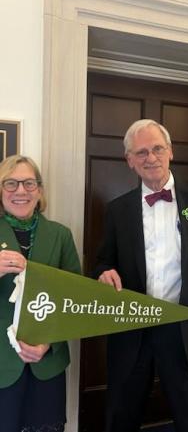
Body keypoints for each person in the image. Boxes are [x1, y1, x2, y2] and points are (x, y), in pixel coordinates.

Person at [95, 119, 188, 432]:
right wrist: (104, 272)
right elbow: (103, 260)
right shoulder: (118, 210)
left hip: (185, 326)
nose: (151, 157)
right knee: (121, 416)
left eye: (157, 149)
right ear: (130, 161)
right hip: (133, 328)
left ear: (170, 152)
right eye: (142, 152)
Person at [0, 155, 81, 432]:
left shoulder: (60, 235)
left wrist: (49, 343)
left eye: (28, 183)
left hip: (48, 363)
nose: (20, 191)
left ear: (40, 190)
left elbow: (75, 299)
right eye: (11, 183)